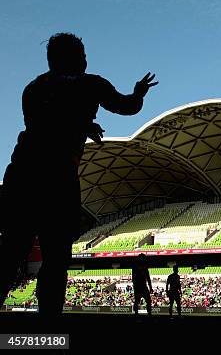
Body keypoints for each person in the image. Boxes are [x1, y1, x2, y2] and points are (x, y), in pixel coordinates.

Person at [0, 33, 158, 316]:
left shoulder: (31, 89)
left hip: (21, 173)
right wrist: (138, 93)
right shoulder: (90, 84)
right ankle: (49, 326)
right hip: (57, 178)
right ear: (72, 58)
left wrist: (83, 125)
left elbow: (47, 125)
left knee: (11, 250)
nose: (86, 59)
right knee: (57, 256)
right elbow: (126, 107)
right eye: (82, 54)